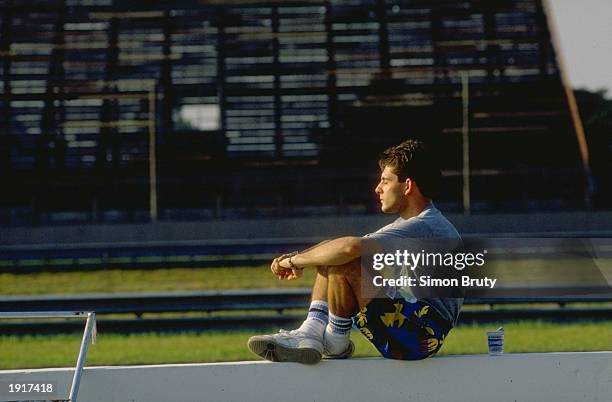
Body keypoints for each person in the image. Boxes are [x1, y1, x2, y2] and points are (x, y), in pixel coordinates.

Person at [247, 139, 462, 364]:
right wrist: (302, 257)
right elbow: (339, 248)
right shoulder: (419, 223)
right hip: (410, 324)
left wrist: (294, 261)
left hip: (419, 334)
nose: (377, 189)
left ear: (407, 186)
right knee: (333, 249)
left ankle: (332, 339)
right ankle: (315, 332)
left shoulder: (425, 225)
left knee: (346, 256)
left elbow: (350, 249)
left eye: (385, 181)